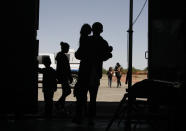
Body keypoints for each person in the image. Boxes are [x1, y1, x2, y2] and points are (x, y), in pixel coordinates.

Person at [73, 22, 113, 125]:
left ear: (92, 29)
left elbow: (78, 55)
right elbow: (106, 56)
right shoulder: (103, 42)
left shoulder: (86, 40)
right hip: (95, 74)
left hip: (84, 72)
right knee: (93, 98)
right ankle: (90, 119)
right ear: (101, 30)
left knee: (81, 97)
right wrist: (109, 52)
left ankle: (79, 117)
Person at [55, 42, 73, 111]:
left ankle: (62, 105)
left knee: (64, 91)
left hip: (61, 76)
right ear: (64, 48)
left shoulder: (59, 55)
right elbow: (66, 68)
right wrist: (70, 76)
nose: (68, 49)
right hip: (63, 76)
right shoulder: (63, 56)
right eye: (67, 48)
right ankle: (58, 103)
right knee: (68, 91)